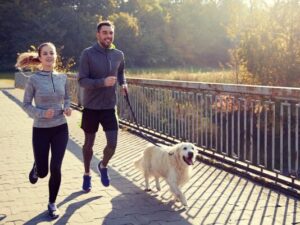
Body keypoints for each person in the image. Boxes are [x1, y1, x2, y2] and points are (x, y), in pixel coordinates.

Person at [15, 42, 72, 219]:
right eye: (45, 53)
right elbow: (25, 104)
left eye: (52, 53)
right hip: (41, 129)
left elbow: (68, 98)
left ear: (56, 56)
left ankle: (52, 203)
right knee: (43, 172)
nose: (49, 56)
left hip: (60, 128)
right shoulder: (33, 79)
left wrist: (68, 108)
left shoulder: (63, 78)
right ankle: (36, 168)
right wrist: (41, 113)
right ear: (40, 57)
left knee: (56, 167)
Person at [78, 20, 127, 192]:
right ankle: (86, 174)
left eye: (111, 33)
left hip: (109, 107)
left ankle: (103, 166)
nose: (108, 36)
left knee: (112, 144)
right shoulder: (88, 54)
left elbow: (121, 72)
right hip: (91, 107)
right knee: (88, 145)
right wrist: (102, 82)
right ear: (98, 35)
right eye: (105, 32)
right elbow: (82, 80)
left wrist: (123, 84)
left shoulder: (119, 54)